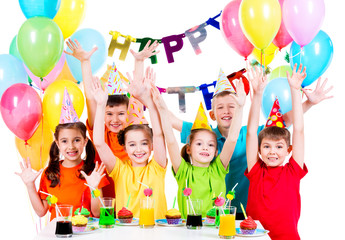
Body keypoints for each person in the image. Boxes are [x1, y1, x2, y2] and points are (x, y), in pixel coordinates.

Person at [167, 67, 333, 219]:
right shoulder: (203, 137)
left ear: (239, 107)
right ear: (212, 114)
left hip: (245, 208)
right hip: (212, 211)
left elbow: (284, 121)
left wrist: (309, 103)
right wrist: (148, 97)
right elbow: (171, 120)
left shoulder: (248, 134)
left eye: (232, 106)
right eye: (220, 108)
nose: (226, 111)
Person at [64, 39, 159, 198]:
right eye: (109, 114)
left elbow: (138, 92)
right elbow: (90, 98)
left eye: (121, 113)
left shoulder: (133, 133)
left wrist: (139, 61)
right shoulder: (101, 132)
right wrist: (85, 62)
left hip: (133, 198)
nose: (115, 119)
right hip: (102, 199)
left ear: (127, 113)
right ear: (103, 112)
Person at [151, 74, 246, 218]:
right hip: (188, 232)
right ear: (188, 148)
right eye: (199, 143)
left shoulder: (218, 170)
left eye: (210, 145)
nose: (205, 148)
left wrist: (239, 107)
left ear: (216, 152)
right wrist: (162, 109)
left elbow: (232, 138)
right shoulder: (183, 171)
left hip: (217, 230)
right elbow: (170, 140)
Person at [91, 67, 167, 219]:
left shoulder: (158, 167)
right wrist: (100, 105)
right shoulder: (119, 170)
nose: (138, 149)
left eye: (144, 143)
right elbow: (99, 143)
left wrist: (150, 103)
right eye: (132, 144)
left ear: (152, 146)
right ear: (124, 147)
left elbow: (158, 134)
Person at [245, 64, 308, 240]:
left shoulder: (293, 171)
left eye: (279, 147)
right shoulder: (256, 171)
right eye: (266, 146)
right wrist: (257, 95)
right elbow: (251, 133)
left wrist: (295, 90)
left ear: (289, 149)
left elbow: (299, 131)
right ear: (259, 150)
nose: (272, 152)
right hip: (254, 237)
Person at [16, 122, 107, 220]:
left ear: (85, 141)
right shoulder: (50, 173)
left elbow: (97, 213)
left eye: (76, 140)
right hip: (58, 231)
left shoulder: (93, 172)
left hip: (86, 231)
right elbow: (41, 211)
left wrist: (94, 188)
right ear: (57, 143)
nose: (71, 146)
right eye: (64, 141)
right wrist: (30, 185)